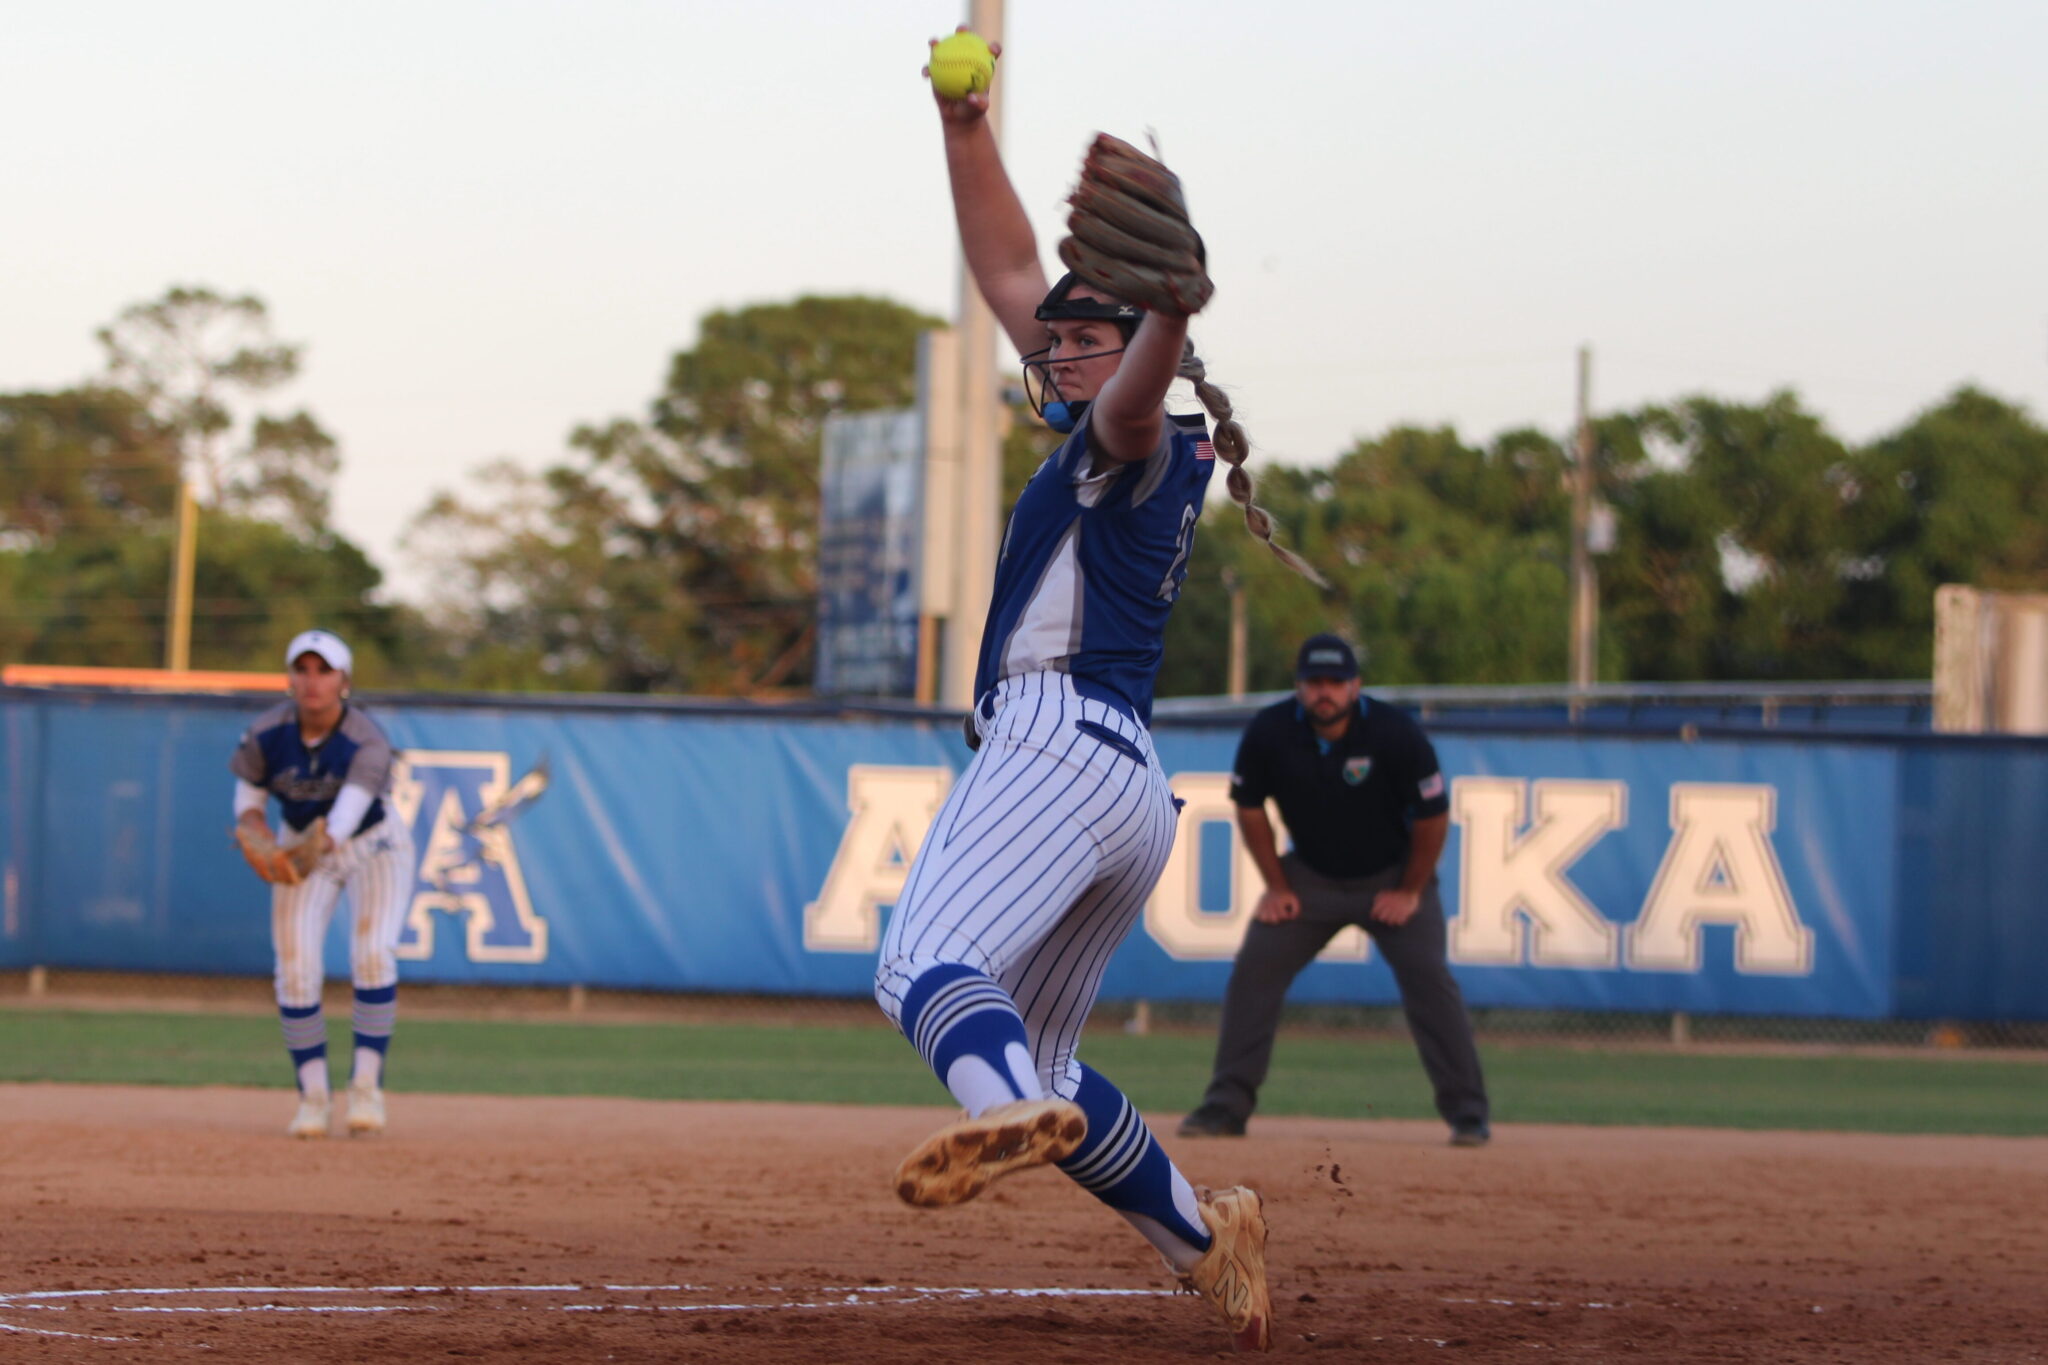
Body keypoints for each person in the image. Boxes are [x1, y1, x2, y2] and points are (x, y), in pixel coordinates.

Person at [871, 32, 1316, 1354]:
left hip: (1054, 737)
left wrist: (1174, 306)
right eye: (1055, 333)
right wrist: (963, 127)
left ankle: (1004, 1107)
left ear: (1137, 346)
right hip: (1124, 784)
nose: (1051, 343)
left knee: (921, 965)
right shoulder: (1100, 418)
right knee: (1055, 1062)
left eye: (1080, 334)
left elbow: (1131, 384)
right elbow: (1010, 266)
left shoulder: (1133, 433)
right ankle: (1205, 1236)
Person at [1179, 634, 1491, 1147]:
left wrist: (1411, 891)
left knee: (1430, 980)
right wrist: (1277, 886)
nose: (1325, 692)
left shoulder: (1395, 733)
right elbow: (1249, 806)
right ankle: (1225, 1107)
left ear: (1356, 686)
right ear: (1299, 686)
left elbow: (1434, 816)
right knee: (1256, 966)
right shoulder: (1271, 731)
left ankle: (1469, 1114)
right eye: (1314, 682)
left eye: (1336, 683)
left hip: (1393, 876)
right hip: (1312, 877)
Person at [230, 629, 414, 1139]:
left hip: (372, 844)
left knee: (374, 954)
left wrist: (321, 839)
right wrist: (254, 827)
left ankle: (366, 1087)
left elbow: (349, 813)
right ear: (289, 677)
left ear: (344, 681)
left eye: (323, 670)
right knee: (294, 967)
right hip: (299, 841)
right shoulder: (267, 732)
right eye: (302, 669)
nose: (312, 681)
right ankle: (313, 1097)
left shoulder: (366, 738)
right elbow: (246, 798)